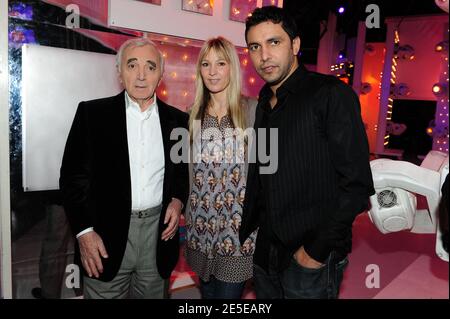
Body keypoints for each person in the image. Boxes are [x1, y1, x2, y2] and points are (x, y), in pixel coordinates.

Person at [239, 6, 375, 299]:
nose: (264, 55)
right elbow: (265, 172)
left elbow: (357, 184)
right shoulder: (264, 100)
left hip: (310, 257)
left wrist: (315, 250)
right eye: (255, 46)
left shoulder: (330, 94)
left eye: (274, 42)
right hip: (265, 254)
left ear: (296, 45)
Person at [60, 37, 189, 299]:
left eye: (150, 67)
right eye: (132, 66)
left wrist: (177, 200)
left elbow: (180, 174)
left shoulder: (179, 121)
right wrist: (84, 232)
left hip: (158, 237)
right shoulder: (92, 114)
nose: (141, 75)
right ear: (120, 72)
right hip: (104, 238)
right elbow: (72, 179)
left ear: (161, 74)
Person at [185, 36, 257, 299]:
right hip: (201, 230)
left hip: (237, 233)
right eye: (205, 64)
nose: (212, 72)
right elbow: (187, 174)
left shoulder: (252, 111)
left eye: (220, 63)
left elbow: (268, 172)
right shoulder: (192, 114)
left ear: (232, 67)